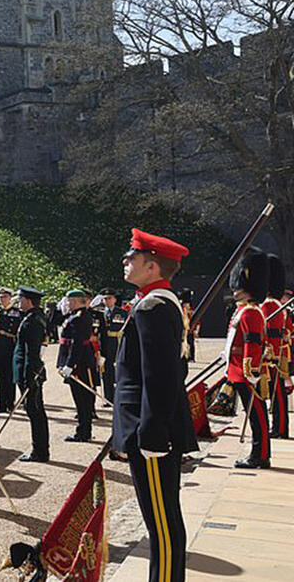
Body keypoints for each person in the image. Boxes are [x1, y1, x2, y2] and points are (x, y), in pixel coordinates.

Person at [113, 228, 198, 582]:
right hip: (152, 426)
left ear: (152, 266)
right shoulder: (161, 302)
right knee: (164, 521)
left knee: (161, 526)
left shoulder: (152, 306)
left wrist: (150, 433)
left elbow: (159, 377)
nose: (125, 261)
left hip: (150, 432)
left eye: (131, 257)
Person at [224, 250, 272, 469]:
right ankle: (258, 453)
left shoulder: (251, 312)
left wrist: (251, 372)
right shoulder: (244, 310)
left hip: (247, 373)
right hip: (239, 370)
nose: (235, 290)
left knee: (257, 415)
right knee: (254, 413)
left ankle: (259, 454)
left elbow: (252, 344)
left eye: (239, 287)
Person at [12, 287, 50, 462]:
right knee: (35, 411)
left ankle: (40, 451)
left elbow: (31, 352)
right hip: (29, 371)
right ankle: (40, 449)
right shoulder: (35, 317)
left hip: (29, 372)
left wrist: (30, 376)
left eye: (20, 299)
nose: (19, 303)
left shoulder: (32, 321)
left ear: (28, 300)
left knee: (35, 412)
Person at [58, 289, 97, 442]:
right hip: (77, 363)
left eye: (69, 300)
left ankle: (83, 432)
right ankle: (83, 429)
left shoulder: (80, 317)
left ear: (74, 301)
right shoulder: (75, 316)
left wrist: (70, 364)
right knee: (80, 399)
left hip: (80, 364)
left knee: (83, 399)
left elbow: (78, 344)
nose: (67, 303)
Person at [262, 255, 290, 439]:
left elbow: (271, 335)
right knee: (277, 392)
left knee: (277, 392)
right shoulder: (273, 304)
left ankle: (280, 428)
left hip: (273, 356)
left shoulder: (270, 305)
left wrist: (268, 357)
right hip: (275, 354)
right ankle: (279, 426)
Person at [0, 287, 21, 413]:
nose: (3, 299)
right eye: (1, 297)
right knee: (0, 376)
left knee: (9, 376)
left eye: (5, 297)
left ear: (10, 298)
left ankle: (10, 403)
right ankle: (2, 404)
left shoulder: (16, 312)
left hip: (9, 344)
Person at [97, 289, 130, 406]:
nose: (107, 301)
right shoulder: (99, 313)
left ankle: (119, 397)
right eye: (105, 298)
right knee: (105, 371)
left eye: (109, 298)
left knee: (118, 370)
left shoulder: (122, 313)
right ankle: (108, 398)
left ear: (115, 300)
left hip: (117, 343)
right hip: (104, 344)